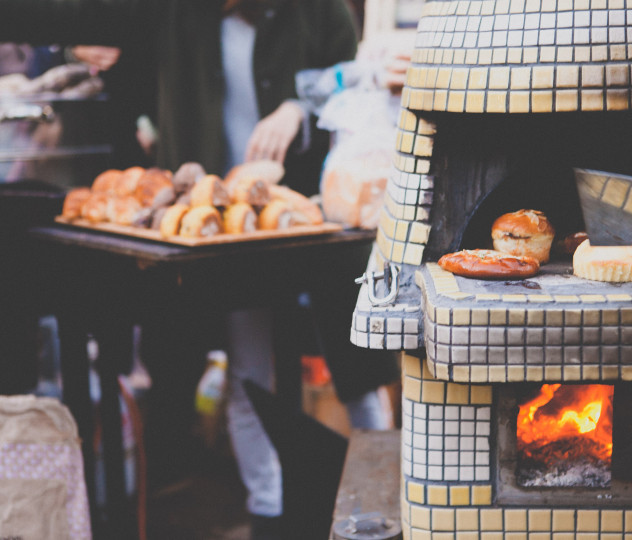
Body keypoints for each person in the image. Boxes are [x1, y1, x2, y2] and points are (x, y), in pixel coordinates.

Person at [0, 2, 398, 538]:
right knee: (246, 368)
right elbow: (101, 40)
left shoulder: (320, 11)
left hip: (314, 215)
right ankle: (268, 511)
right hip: (216, 231)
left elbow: (352, 86)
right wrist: (77, 48)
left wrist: (296, 108)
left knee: (358, 366)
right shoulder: (176, 14)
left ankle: (391, 500)